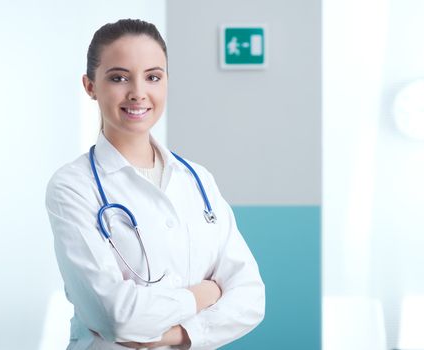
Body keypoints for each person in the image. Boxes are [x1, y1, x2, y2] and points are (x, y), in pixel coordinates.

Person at [45, 19, 265, 349]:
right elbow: (115, 317)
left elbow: (250, 299)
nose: (138, 93)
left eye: (152, 77)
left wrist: (176, 335)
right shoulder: (72, 187)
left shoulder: (197, 180)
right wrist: (201, 296)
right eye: (119, 77)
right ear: (90, 86)